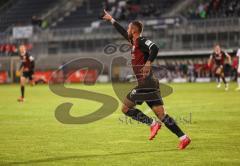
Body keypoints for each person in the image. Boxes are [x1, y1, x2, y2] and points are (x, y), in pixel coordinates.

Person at [101, 10, 191, 150]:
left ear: (134, 30)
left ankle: (152, 124)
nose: (127, 30)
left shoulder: (141, 41)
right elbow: (123, 33)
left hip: (145, 83)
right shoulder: (134, 41)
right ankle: (183, 137)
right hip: (150, 83)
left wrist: (149, 62)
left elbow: (154, 47)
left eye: (129, 28)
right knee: (162, 114)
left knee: (125, 108)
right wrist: (112, 20)